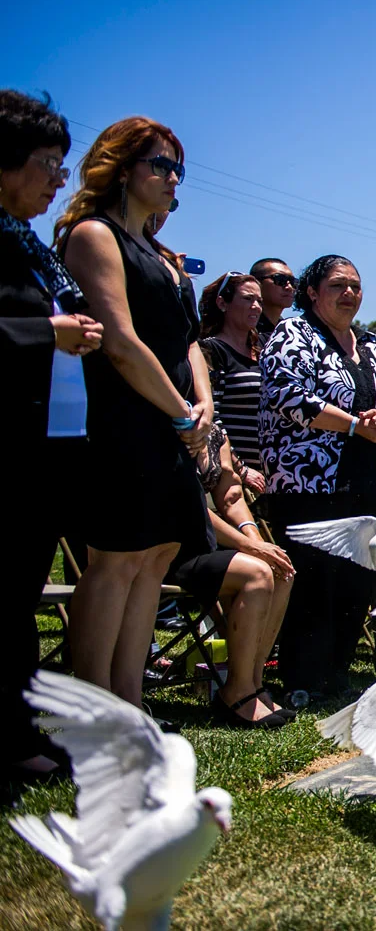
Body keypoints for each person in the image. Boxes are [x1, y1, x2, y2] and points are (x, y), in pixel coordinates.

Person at [55, 116, 214, 708]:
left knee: (154, 561)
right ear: (122, 170)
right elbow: (118, 341)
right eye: (161, 166)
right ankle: (93, 710)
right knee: (114, 562)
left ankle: (130, 701)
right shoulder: (94, 235)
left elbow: (190, 343)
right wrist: (181, 415)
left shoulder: (164, 253)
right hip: (123, 421)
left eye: (179, 169)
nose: (174, 178)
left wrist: (202, 407)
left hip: (177, 424)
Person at [1, 89, 101, 783]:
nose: (58, 180)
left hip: (43, 453)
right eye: (46, 163)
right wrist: (49, 334)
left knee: (18, 599)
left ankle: (17, 731)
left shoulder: (27, 241)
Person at [260, 254, 376, 696]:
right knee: (312, 584)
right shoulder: (294, 333)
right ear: (312, 292)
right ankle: (303, 680)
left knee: (355, 587)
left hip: (371, 483)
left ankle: (338, 676)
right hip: (311, 483)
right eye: (337, 285)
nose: (349, 294)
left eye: (356, 286)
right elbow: (287, 395)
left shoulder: (374, 344)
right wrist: (352, 424)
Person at [170, 423, 294, 727]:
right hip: (170, 545)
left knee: (282, 570)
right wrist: (249, 547)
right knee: (257, 575)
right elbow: (190, 505)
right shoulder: (168, 426)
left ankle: (253, 683)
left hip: (211, 546)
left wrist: (257, 543)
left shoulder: (215, 434)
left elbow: (232, 497)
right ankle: (235, 692)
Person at [198, 272, 267, 483]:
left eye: (259, 301)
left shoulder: (265, 349)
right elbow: (213, 416)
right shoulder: (211, 349)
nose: (256, 306)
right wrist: (241, 469)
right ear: (222, 303)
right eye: (247, 299)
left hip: (271, 473)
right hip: (238, 477)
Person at [250, 257, 294, 340]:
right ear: (257, 283)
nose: (290, 287)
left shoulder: (289, 331)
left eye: (293, 282)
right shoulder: (244, 329)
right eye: (280, 279)